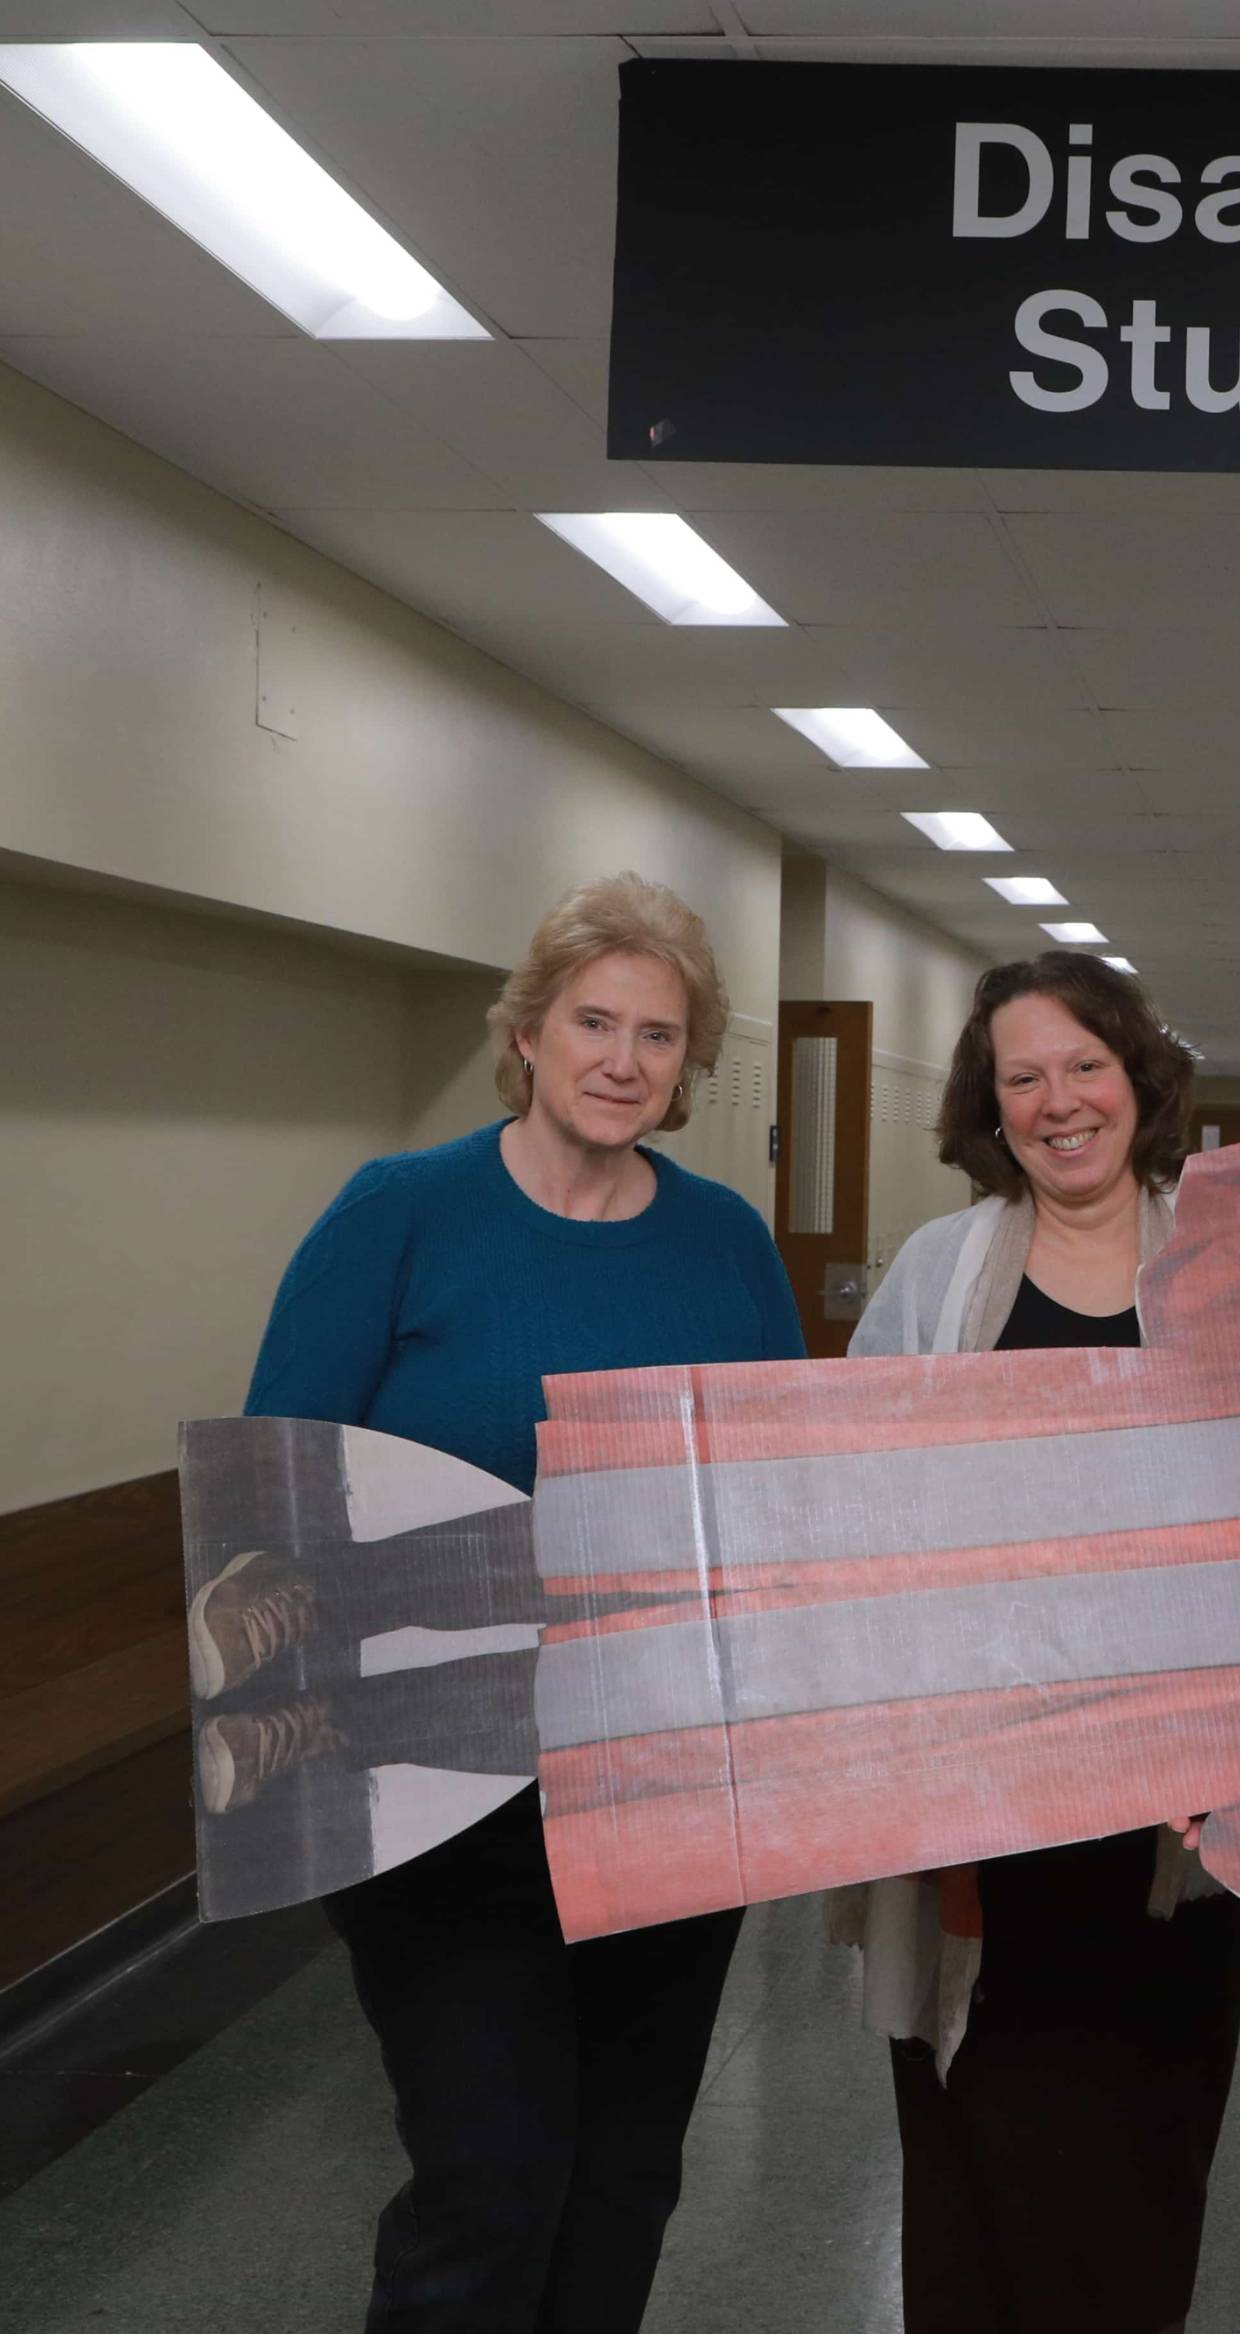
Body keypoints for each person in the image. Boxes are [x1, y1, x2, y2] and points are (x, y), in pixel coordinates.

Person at [236, 873, 802, 2334]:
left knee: (624, 2174)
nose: (623, 1058)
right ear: (527, 1033)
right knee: (489, 2174)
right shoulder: (401, 1213)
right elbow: (276, 1492)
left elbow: (776, 1497)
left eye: (660, 1034)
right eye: (594, 1020)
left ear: (689, 1065)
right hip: (436, 1787)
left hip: (664, 1779)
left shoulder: (728, 1241)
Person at [834, 949, 1240, 2334]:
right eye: (1024, 1076)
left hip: (1178, 1824)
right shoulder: (936, 1271)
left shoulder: (1232, 1266)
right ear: (990, 1104)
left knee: (1142, 2150)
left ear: (1139, 1080)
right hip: (981, 1808)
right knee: (981, 2133)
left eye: (1085, 1065)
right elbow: (849, 1502)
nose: (1059, 1100)